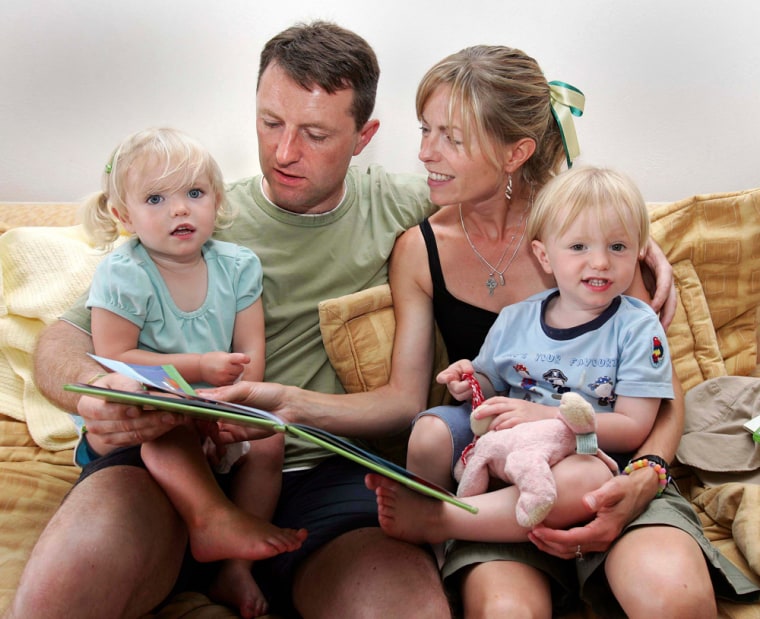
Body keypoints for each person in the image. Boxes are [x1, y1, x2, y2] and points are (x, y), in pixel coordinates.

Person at [6, 24, 677, 619]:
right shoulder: (194, 214)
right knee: (59, 592)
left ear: (364, 138)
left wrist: (625, 242)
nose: (284, 152)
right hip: (173, 461)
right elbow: (66, 343)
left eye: (316, 133)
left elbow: (520, 191)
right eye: (270, 122)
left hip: (323, 476)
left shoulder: (412, 208)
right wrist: (92, 391)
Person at [361, 46, 759, 618]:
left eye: (451, 136)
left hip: (615, 466)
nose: (425, 152)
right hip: (511, 483)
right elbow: (436, 396)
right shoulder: (421, 251)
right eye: (426, 130)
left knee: (675, 600)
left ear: (515, 152)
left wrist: (644, 481)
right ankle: (455, 526)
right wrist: (284, 402)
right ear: (548, 255)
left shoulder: (601, 243)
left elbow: (658, 399)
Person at [80, 126, 306, 617]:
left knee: (270, 438)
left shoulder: (238, 266)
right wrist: (198, 368)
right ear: (123, 215)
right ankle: (210, 519)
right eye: (156, 198)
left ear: (218, 201)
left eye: (194, 193)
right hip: (147, 420)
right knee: (167, 420)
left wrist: (236, 403)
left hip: (217, 407)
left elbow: (251, 352)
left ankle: (235, 570)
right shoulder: (125, 273)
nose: (180, 209)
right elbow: (114, 356)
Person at [398, 165, 672, 543]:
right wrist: (469, 381)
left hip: (586, 453)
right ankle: (432, 543)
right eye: (579, 247)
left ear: (638, 252)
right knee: (429, 434)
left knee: (585, 480)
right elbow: (489, 384)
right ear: (544, 257)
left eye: (618, 247)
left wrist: (545, 416)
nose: (600, 262)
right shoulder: (516, 319)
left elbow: (632, 428)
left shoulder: (639, 328)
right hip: (513, 448)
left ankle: (448, 523)